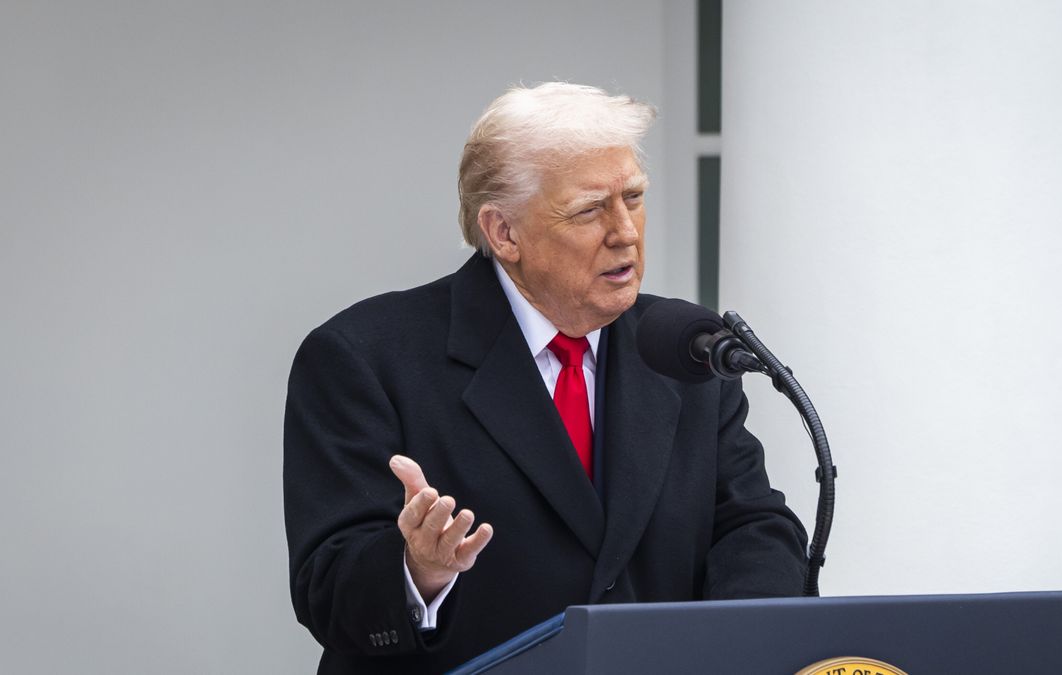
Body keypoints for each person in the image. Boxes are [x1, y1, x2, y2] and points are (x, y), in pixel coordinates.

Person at [283, 82, 809, 674]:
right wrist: (417, 569)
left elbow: (750, 523)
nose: (626, 231)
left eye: (633, 197)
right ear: (503, 233)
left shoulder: (688, 350)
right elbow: (326, 589)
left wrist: (736, 641)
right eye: (589, 209)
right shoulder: (362, 357)